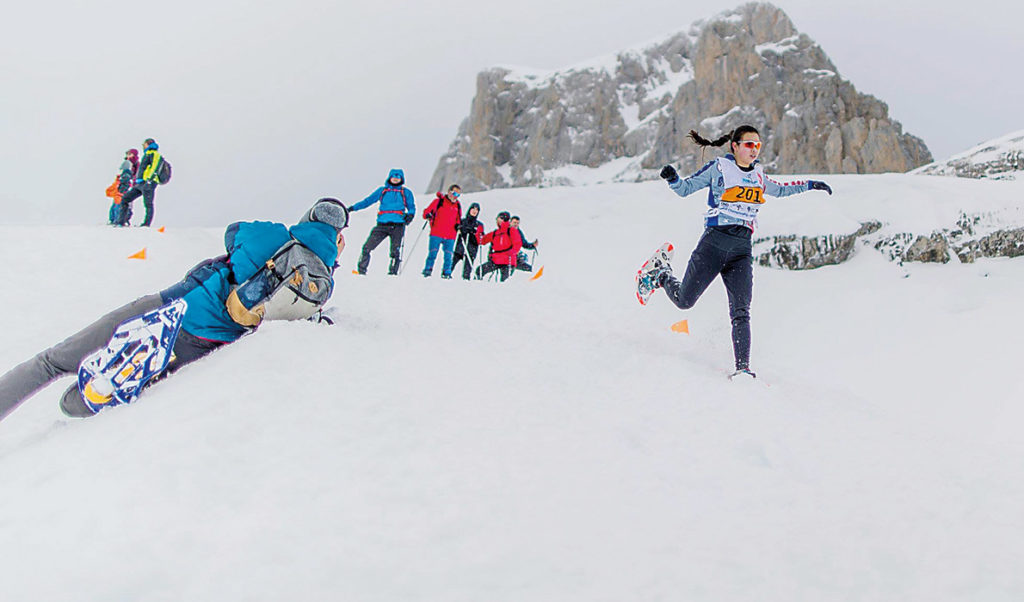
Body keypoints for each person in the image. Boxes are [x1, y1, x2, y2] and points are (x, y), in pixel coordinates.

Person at [0, 199, 348, 422]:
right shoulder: (322, 283)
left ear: (308, 217)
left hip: (173, 307)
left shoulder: (272, 234)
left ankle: (87, 387)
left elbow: (232, 234)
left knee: (52, 362)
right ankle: (86, 398)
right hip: (206, 343)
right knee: (108, 396)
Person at [637, 125, 833, 378]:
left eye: (758, 145)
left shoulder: (759, 176)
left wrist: (811, 184)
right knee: (685, 301)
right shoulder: (719, 168)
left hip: (741, 251)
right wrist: (672, 178)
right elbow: (686, 189)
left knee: (741, 311)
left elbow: (782, 189)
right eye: (749, 144)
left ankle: (743, 370)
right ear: (735, 146)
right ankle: (661, 274)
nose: (754, 150)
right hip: (713, 244)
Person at [349, 168, 416, 275]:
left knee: (395, 251)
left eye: (398, 177)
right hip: (382, 225)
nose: (395, 179)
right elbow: (368, 201)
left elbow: (411, 206)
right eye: (394, 176)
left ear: (402, 179)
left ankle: (393, 273)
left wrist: (410, 215)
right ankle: (361, 271)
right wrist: (353, 208)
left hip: (398, 225)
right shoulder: (382, 191)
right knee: (367, 247)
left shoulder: (406, 192)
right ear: (390, 177)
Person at [421, 184, 463, 278]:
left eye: (458, 194)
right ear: (449, 192)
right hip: (437, 232)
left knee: (448, 255)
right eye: (454, 193)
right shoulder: (438, 201)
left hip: (450, 235)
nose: (455, 196)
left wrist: (458, 225)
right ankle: (428, 270)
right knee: (433, 253)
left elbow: (458, 218)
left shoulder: (458, 205)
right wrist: (428, 215)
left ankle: (446, 272)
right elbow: (426, 212)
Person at [120, 138, 164, 227]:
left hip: (149, 183)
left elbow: (155, 167)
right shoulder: (146, 154)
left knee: (148, 203)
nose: (143, 146)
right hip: (140, 183)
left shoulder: (154, 154)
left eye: (144, 144)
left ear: (148, 144)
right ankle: (121, 222)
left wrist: (149, 180)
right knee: (125, 198)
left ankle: (146, 224)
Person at [474, 211, 522, 282]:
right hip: (497, 260)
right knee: (480, 270)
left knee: (505, 281)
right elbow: (482, 241)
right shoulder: (495, 233)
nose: (497, 220)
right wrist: (479, 231)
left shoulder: (511, 231)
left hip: (507, 260)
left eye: (498, 218)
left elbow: (517, 244)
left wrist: (512, 252)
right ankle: (477, 285)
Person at [451, 202, 484, 280]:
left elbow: (480, 238)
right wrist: (459, 228)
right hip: (460, 247)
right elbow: (454, 229)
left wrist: (474, 233)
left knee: (467, 269)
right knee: (451, 263)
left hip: (471, 250)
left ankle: (466, 281)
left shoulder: (479, 224)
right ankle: (445, 275)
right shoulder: (462, 221)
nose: (474, 211)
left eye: (477, 210)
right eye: (473, 209)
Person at [109, 148, 139, 226]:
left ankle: (122, 220)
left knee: (125, 204)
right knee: (117, 203)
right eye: (127, 154)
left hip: (129, 186)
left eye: (130, 154)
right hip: (122, 186)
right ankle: (115, 219)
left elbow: (136, 174)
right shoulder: (126, 164)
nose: (128, 156)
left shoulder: (135, 164)